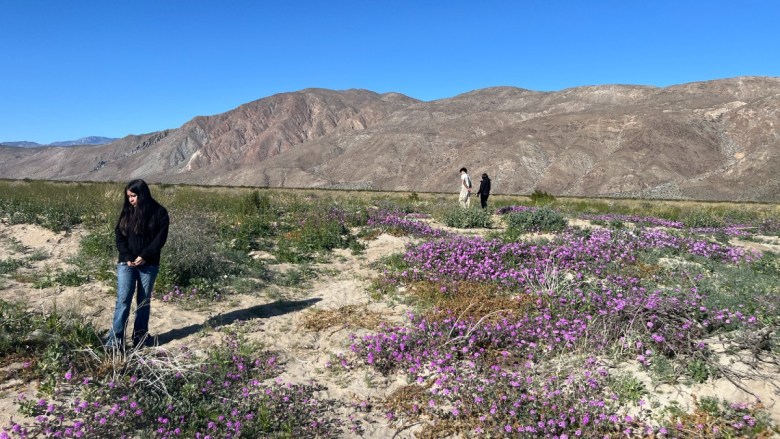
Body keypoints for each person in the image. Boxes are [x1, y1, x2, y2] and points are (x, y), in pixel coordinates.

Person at [106, 179, 169, 350]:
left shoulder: (160, 212)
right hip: (126, 263)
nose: (131, 200)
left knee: (143, 301)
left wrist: (145, 255)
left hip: (149, 264)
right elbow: (119, 236)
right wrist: (126, 256)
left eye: (134, 196)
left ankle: (140, 338)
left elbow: (160, 239)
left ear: (143, 194)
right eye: (128, 197)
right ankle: (115, 341)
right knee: (123, 300)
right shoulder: (127, 212)